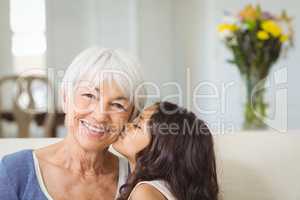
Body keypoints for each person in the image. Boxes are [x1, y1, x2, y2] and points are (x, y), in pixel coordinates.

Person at [0, 47, 146, 200]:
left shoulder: (138, 180)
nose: (100, 116)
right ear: (65, 98)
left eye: (117, 105)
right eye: (89, 95)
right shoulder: (14, 172)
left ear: (132, 116)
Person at [113, 101, 219, 200]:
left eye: (137, 126)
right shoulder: (166, 190)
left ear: (161, 148)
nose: (126, 126)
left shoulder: (145, 193)